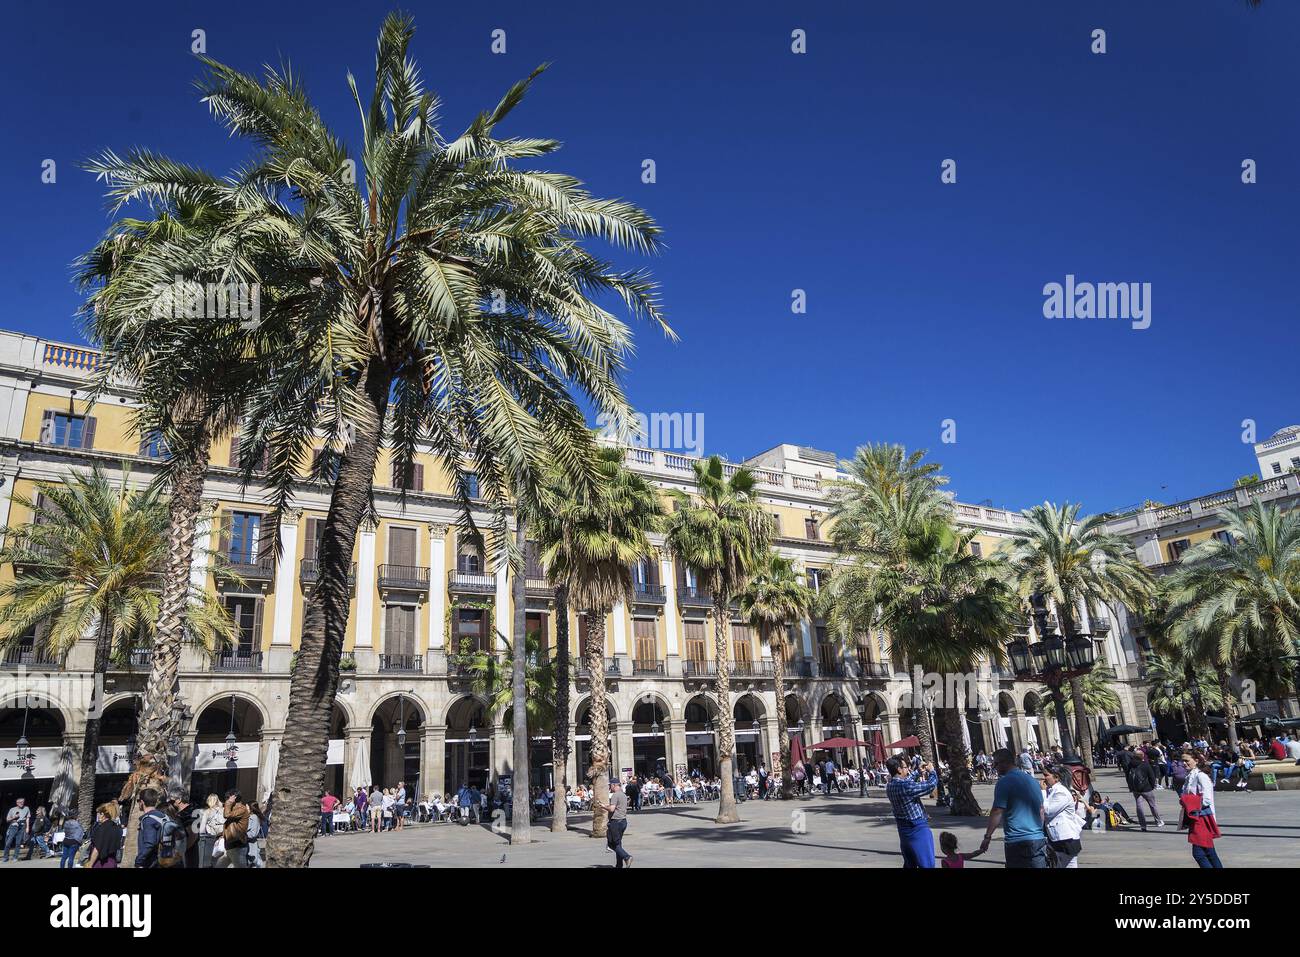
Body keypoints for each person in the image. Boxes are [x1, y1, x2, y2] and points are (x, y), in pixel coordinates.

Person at [980, 748, 1046, 868]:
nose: (994, 767)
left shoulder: (1004, 782)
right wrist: (1037, 831)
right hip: (1038, 839)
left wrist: (987, 837)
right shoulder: (1032, 780)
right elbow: (1041, 810)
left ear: (1005, 762)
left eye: (996, 764)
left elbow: (997, 812)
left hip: (1017, 841)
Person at [884, 756, 939, 868]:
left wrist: (917, 772)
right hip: (917, 827)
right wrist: (932, 771)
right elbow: (930, 785)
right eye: (905, 767)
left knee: (910, 864)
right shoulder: (905, 786)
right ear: (899, 769)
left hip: (903, 830)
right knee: (927, 864)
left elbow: (905, 782)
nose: (907, 769)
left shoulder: (890, 786)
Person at [1179, 753, 1222, 867]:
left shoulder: (1201, 776)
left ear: (1196, 760)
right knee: (1209, 852)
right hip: (1195, 817)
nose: (1184, 763)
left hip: (1202, 818)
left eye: (1186, 760)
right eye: (1182, 761)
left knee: (1198, 853)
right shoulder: (1190, 776)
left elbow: (1206, 800)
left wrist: (1187, 801)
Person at [1042, 765, 1087, 868]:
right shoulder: (1053, 790)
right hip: (1058, 836)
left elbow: (1048, 811)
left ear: (1056, 777)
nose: (1043, 778)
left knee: (1069, 865)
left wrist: (1043, 792)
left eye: (1046, 775)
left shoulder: (1061, 792)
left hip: (1066, 836)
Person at [1122, 748, 1164, 830]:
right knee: (1152, 805)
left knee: (1139, 806)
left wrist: (1131, 787)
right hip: (1146, 788)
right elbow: (1152, 777)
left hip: (1135, 789)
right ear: (1142, 756)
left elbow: (1127, 776)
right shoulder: (1145, 764)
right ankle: (1158, 821)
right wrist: (1152, 786)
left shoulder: (1130, 765)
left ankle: (1143, 825)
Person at [216, 789, 250, 868]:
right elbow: (230, 825)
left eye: (228, 798)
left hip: (237, 846)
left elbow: (227, 815)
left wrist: (229, 802)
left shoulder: (242, 809)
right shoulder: (234, 809)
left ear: (234, 798)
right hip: (231, 845)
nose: (226, 801)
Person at [603, 778, 632, 868]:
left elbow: (612, 809)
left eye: (610, 785)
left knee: (612, 844)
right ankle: (619, 865)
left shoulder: (615, 795)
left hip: (616, 822)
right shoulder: (623, 795)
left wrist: (603, 806)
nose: (609, 787)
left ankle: (627, 857)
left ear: (613, 785)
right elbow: (618, 807)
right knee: (618, 843)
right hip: (623, 821)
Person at [87, 802, 123, 868]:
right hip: (112, 862)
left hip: (101, 863)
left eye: (98, 814)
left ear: (102, 814)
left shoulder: (102, 828)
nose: (98, 816)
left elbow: (97, 849)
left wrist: (90, 864)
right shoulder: (118, 828)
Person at [3, 797, 30, 863]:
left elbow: (27, 818)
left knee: (18, 843)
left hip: (22, 825)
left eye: (23, 802)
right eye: (20, 802)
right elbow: (7, 819)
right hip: (14, 825)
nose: (22, 803)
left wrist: (27, 827)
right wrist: (14, 817)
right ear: (17, 803)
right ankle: (5, 857)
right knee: (8, 842)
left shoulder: (26, 808)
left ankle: (15, 857)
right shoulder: (12, 809)